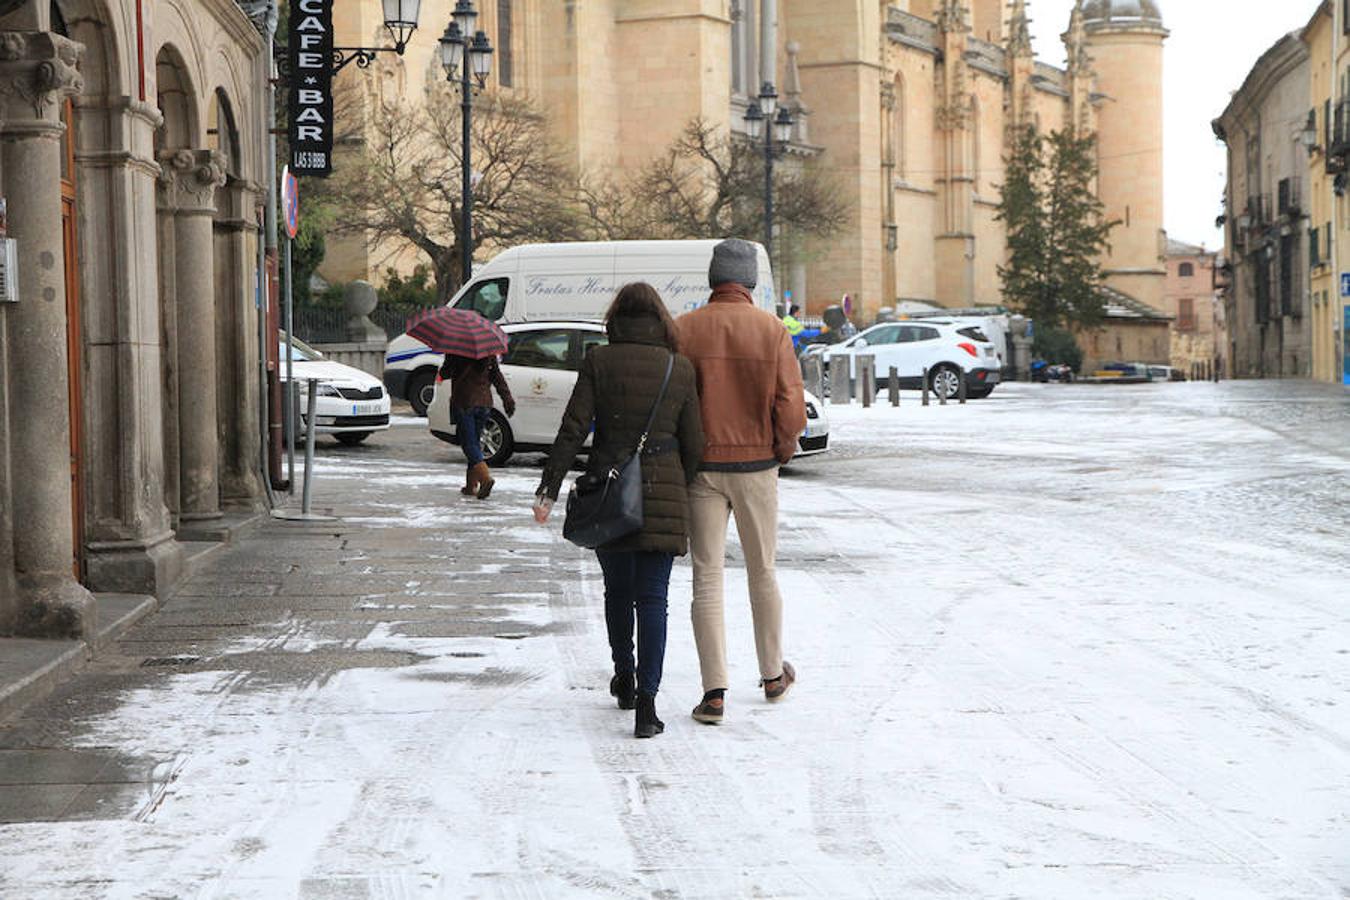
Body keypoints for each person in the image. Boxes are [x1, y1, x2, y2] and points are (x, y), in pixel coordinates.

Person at [533, 283, 705, 739]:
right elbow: (695, 443)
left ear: (616, 319)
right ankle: (647, 705)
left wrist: (549, 488)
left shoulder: (599, 361)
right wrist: (678, 483)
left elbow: (573, 427)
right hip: (663, 490)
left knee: (617, 591)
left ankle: (624, 676)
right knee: (653, 598)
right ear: (660, 320)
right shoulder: (679, 367)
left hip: (609, 491)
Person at [678, 239, 807, 725]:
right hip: (756, 466)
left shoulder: (684, 328)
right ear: (750, 281)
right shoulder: (771, 329)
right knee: (763, 571)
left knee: (706, 577)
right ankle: (773, 675)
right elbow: (790, 406)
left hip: (703, 468)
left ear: (714, 278)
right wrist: (782, 447)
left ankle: (713, 693)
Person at [441, 353, 515, 499]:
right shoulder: (488, 352)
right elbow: (496, 375)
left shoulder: (456, 350)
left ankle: (485, 479)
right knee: (474, 443)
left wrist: (446, 366)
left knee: (469, 445)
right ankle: (471, 486)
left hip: (465, 401)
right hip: (484, 403)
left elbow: (445, 373)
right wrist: (507, 398)